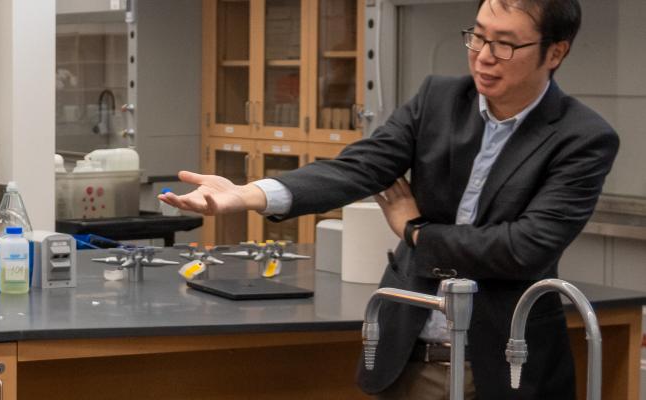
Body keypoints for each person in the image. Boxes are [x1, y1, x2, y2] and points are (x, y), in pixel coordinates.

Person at [161, 0, 616, 398]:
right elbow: (359, 166)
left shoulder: (582, 138)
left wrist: (415, 232)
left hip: (505, 366)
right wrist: (249, 194)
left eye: (505, 45)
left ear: (555, 52)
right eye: (478, 37)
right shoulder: (439, 99)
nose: (483, 57)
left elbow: (521, 249)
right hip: (409, 356)